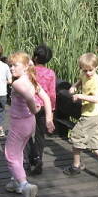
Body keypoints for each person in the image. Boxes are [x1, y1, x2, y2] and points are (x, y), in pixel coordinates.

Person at [62, 53, 98, 188]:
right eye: (85, 70)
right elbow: (80, 80)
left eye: (90, 70)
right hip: (94, 115)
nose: (88, 73)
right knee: (96, 145)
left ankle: (76, 166)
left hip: (91, 116)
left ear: (96, 67)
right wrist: (74, 86)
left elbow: (96, 99)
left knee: (76, 138)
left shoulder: (97, 80)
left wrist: (79, 96)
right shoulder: (84, 75)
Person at [4, 52, 54, 197]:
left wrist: (34, 110)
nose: (11, 68)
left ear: (25, 67)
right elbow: (45, 98)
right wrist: (48, 119)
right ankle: (15, 182)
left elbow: (30, 99)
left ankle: (25, 186)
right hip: (29, 124)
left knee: (10, 155)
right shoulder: (32, 79)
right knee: (19, 152)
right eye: (10, 65)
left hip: (20, 124)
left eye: (15, 65)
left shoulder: (17, 84)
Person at [24, 44, 57, 175]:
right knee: (40, 135)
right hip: (44, 107)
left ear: (35, 57)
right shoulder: (51, 73)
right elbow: (52, 94)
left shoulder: (29, 71)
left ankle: (29, 159)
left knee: (26, 133)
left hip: (30, 105)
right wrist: (52, 111)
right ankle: (39, 159)